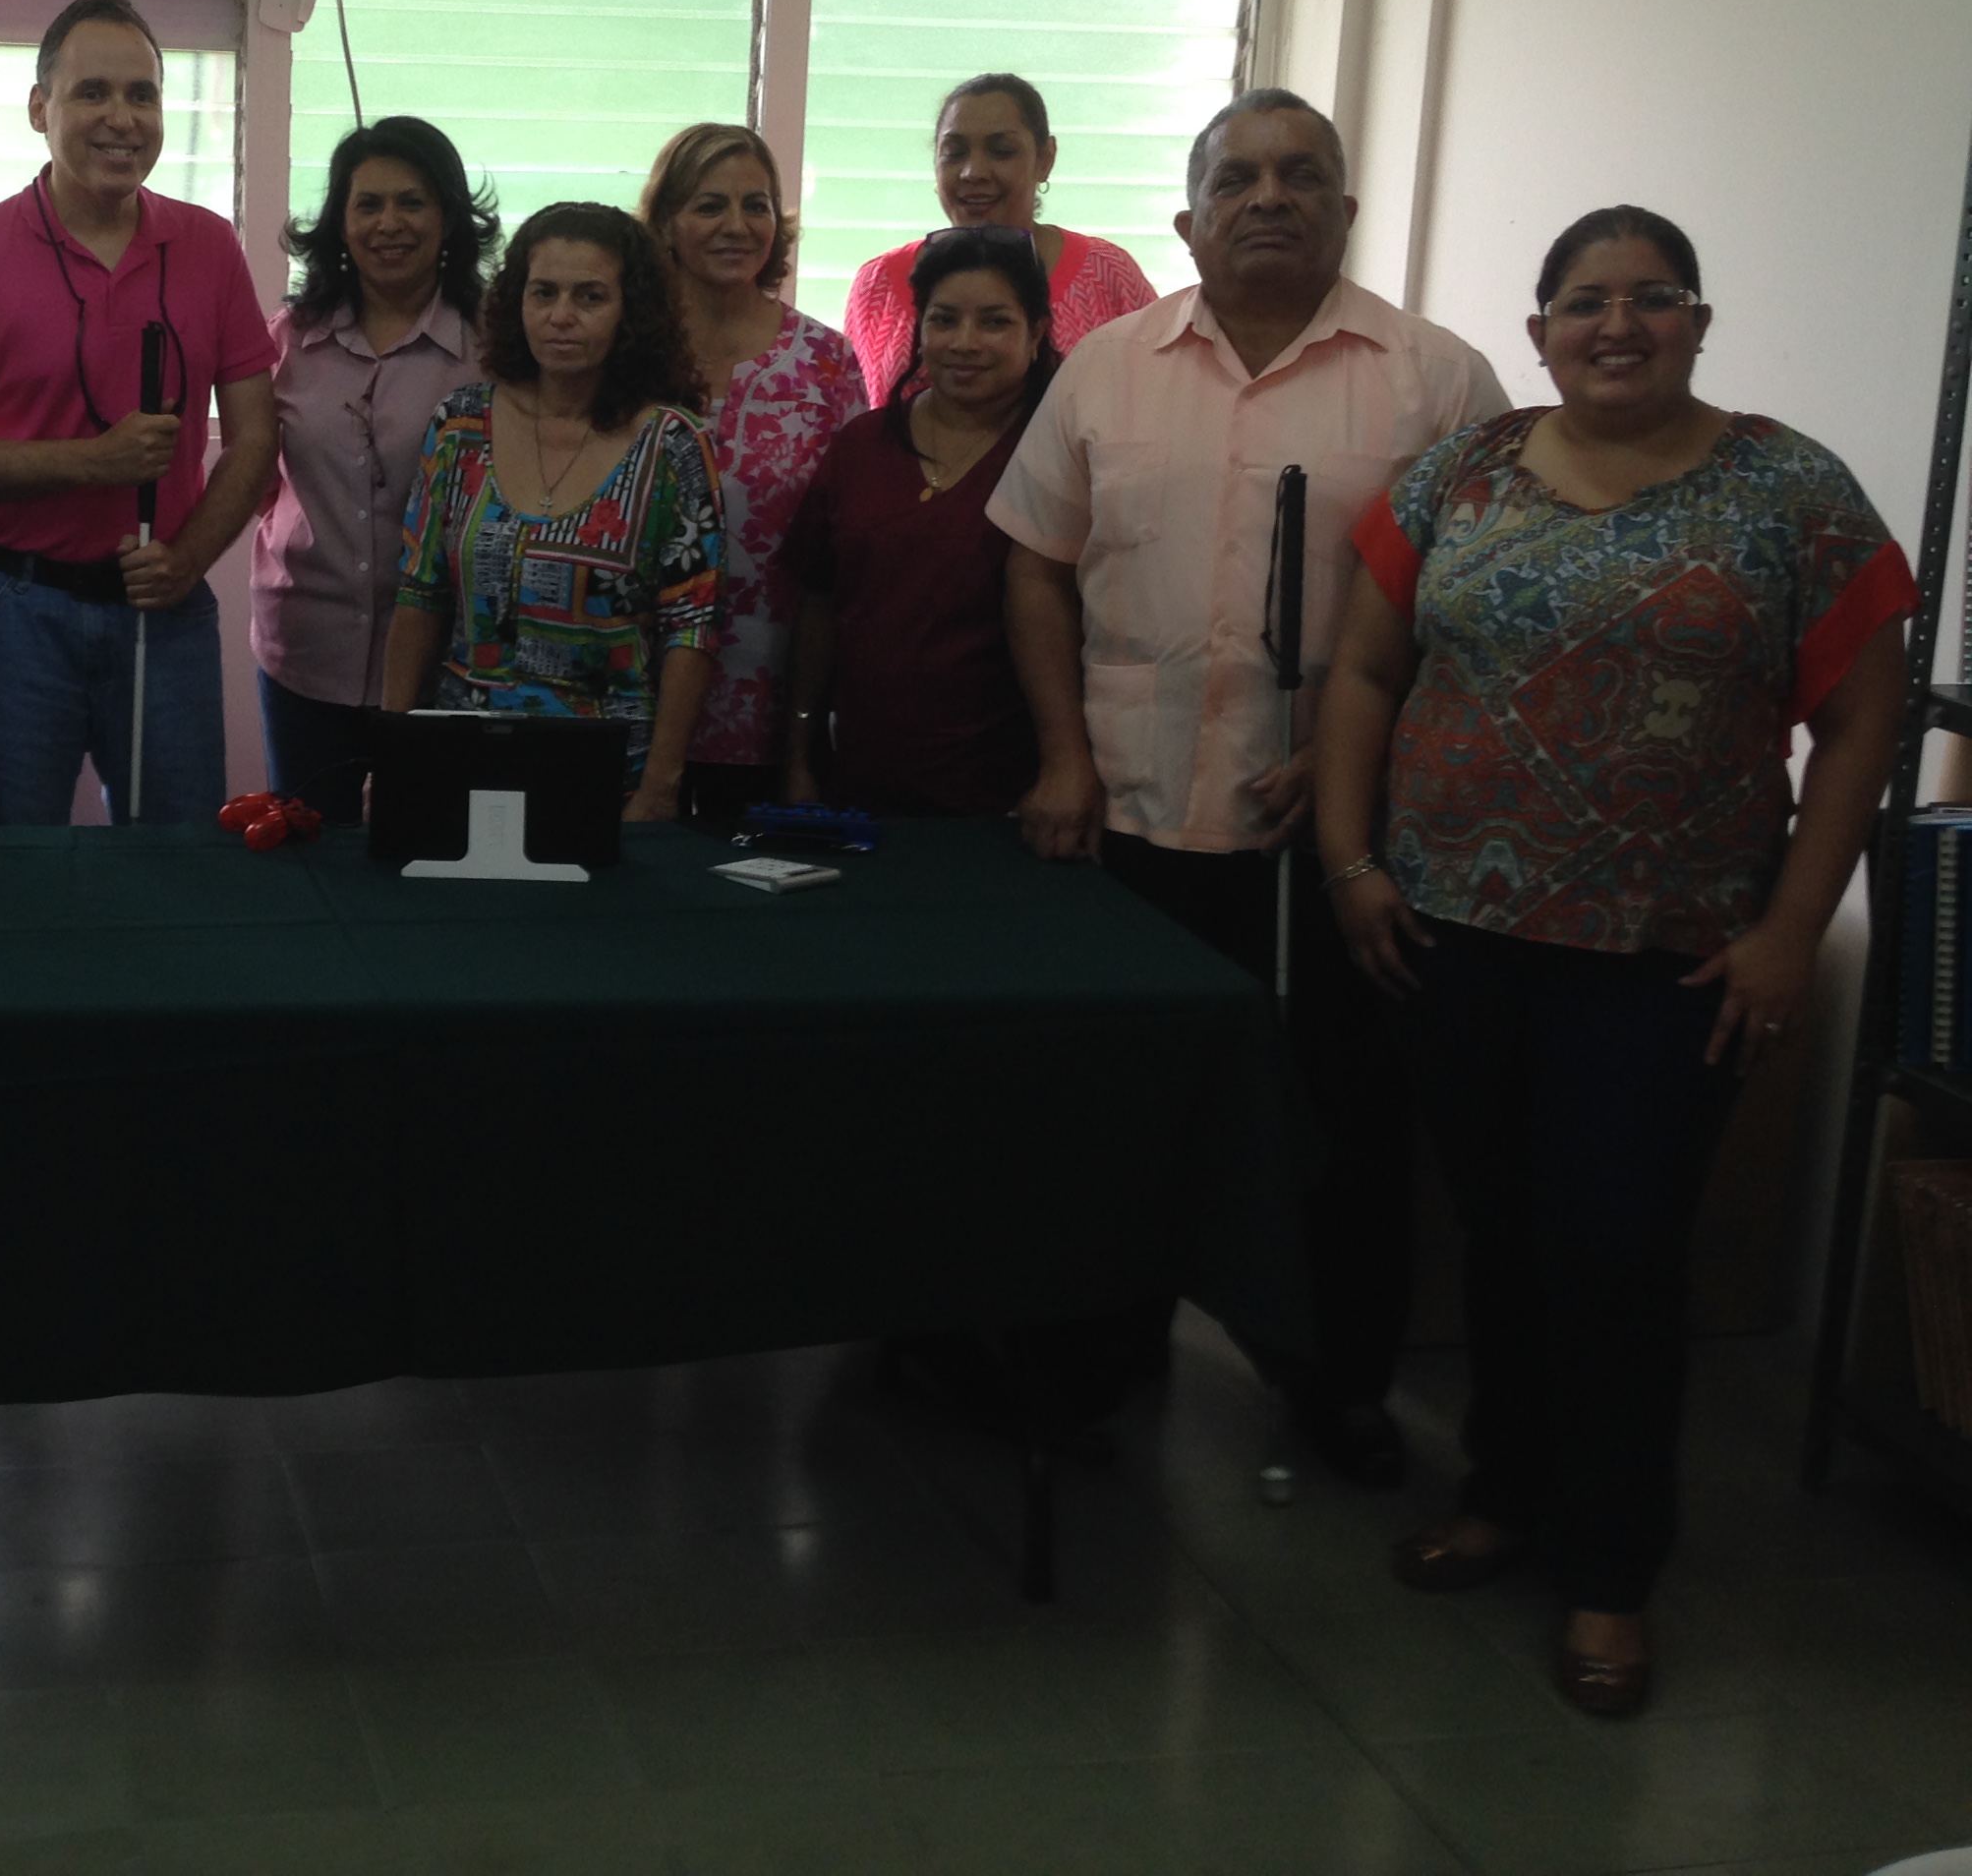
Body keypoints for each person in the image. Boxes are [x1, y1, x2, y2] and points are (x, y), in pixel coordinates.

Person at [1319, 205, 1909, 1718]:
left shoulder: (1790, 491)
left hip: (1669, 959)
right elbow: (1368, 674)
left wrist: (1789, 926)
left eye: (1655, 299)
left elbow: (1861, 729)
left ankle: (1609, 1573)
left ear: (1701, 322)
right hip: (1453, 936)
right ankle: (1505, 1495)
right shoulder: (1461, 473)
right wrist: (1352, 864)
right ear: (1540, 331)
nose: (1619, 326)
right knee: (1503, 1237)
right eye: (1585, 302)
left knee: (1618, 1254)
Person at [994, 88, 1508, 1481]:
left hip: (1333, 838)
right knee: (1127, 1106)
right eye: (1239, 178)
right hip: (1130, 816)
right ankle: (1110, 1343)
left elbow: (1484, 615)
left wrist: (1362, 763)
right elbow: (1037, 561)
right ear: (1189, 216)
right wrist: (1060, 755)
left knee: (1339, 1120)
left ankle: (1331, 1380)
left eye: (1302, 176)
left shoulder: (1441, 383)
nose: (1269, 198)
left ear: (1347, 209)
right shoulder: (1104, 366)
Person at [0, 0, 280, 824]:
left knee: (177, 870)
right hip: (7, 613)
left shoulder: (209, 247)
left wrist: (186, 559)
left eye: (142, 95)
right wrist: (90, 461)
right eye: (92, 92)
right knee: (9, 880)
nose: (122, 118)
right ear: (40, 108)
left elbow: (258, 436)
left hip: (162, 610)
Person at [385, 203, 724, 816]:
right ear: (517, 302)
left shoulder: (672, 445)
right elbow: (420, 594)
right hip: (462, 756)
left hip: (608, 770)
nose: (561, 317)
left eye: (590, 297)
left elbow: (691, 627)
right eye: (543, 293)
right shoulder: (461, 425)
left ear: (631, 313)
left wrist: (660, 786)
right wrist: (394, 753)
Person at [251, 115, 493, 820]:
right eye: (368, 204)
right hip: (302, 649)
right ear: (340, 222)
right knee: (309, 849)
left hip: (447, 660)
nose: (391, 223)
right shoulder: (289, 339)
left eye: (412, 202)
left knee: (426, 851)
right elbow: (259, 481)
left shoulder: (496, 345)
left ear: (448, 217)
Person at [781, 225, 1054, 818]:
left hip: (1006, 797)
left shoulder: (1059, 453)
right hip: (857, 786)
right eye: (944, 319)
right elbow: (819, 603)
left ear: (1035, 333)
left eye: (995, 321)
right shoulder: (862, 446)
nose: (965, 341)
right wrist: (799, 755)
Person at [641, 123, 867, 833]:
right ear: (667, 222)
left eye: (757, 205)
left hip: (775, 711)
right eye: (710, 206)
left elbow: (841, 554)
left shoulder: (825, 362)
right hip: (623, 704)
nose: (737, 226)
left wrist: (806, 734)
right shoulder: (621, 352)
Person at [842, 73, 1156, 408]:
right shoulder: (879, 283)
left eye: (1001, 151)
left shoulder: (1106, 271)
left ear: (1045, 159)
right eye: (954, 152)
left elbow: (1160, 398)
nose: (973, 172)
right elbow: (856, 417)